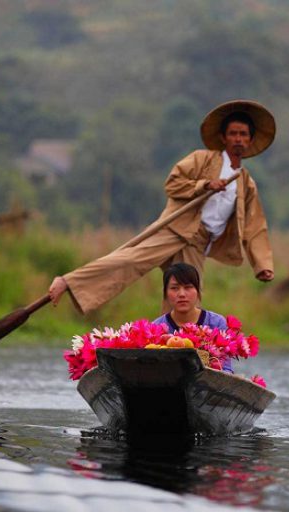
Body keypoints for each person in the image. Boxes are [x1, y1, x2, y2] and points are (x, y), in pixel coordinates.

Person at [48, 99, 276, 315]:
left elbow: (255, 228)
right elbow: (173, 184)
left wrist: (262, 265)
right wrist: (204, 185)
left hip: (198, 242)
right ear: (223, 137)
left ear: (250, 140)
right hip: (175, 228)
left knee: (186, 293)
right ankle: (68, 282)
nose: (238, 139)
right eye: (233, 134)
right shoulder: (202, 159)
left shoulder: (246, 184)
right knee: (131, 260)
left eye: (243, 134)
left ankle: (171, 344)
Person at [153, 262, 233, 373]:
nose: (181, 294)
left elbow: (226, 369)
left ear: (198, 291)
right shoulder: (156, 328)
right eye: (174, 288)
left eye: (188, 287)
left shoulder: (217, 323)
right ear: (166, 293)